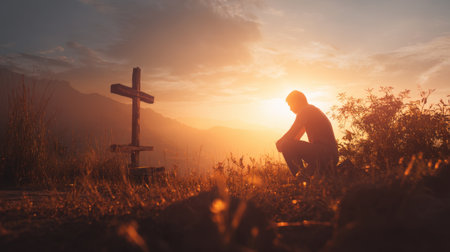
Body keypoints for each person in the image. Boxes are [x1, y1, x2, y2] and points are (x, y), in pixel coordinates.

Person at [276, 90, 338, 180]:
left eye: (290, 105)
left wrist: (280, 143)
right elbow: (295, 138)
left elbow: (291, 134)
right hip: (329, 155)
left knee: (285, 144)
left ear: (297, 102)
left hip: (324, 154)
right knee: (287, 144)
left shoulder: (305, 110)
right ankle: (304, 175)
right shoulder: (311, 111)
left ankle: (301, 179)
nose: (290, 108)